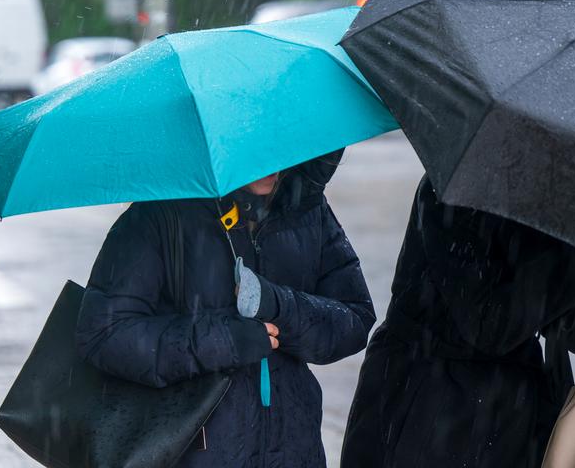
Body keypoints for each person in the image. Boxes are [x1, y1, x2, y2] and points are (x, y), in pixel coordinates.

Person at [75, 151, 375, 468]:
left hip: (294, 449)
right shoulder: (159, 216)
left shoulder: (308, 210)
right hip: (194, 450)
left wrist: (278, 305)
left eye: (275, 142)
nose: (270, 160)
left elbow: (353, 320)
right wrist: (223, 340)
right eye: (255, 147)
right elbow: (105, 334)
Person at [341, 176, 575, 468]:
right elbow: (490, 323)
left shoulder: (553, 192)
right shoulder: (456, 186)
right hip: (427, 404)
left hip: (512, 415)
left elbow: (559, 316)